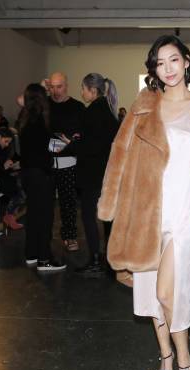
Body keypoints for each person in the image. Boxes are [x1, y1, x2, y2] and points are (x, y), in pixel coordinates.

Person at [98, 34, 190, 370]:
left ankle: (184, 359)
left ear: (186, 61)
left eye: (173, 60)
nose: (167, 69)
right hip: (146, 211)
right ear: (153, 69)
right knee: (151, 292)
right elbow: (122, 156)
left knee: (170, 291)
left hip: (181, 211)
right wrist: (115, 205)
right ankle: (166, 356)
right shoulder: (145, 106)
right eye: (160, 63)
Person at [67, 73, 120, 275]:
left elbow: (88, 146)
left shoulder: (91, 113)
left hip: (92, 175)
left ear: (92, 90)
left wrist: (72, 144)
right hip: (108, 175)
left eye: (83, 88)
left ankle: (95, 259)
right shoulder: (110, 112)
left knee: (89, 216)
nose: (81, 92)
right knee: (108, 217)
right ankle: (110, 257)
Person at [18, 83, 65, 272]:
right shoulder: (42, 120)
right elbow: (49, 147)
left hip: (28, 173)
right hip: (41, 174)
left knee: (33, 214)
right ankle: (44, 259)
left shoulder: (24, 118)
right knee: (45, 216)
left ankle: (31, 254)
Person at [45, 72, 85, 252]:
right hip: (46, 162)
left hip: (69, 162)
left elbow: (84, 134)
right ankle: (44, 237)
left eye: (59, 86)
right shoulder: (44, 104)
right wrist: (40, 86)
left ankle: (70, 235)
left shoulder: (77, 107)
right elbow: (22, 101)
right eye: (52, 86)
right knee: (44, 202)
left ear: (66, 85)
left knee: (68, 202)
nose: (55, 91)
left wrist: (71, 142)